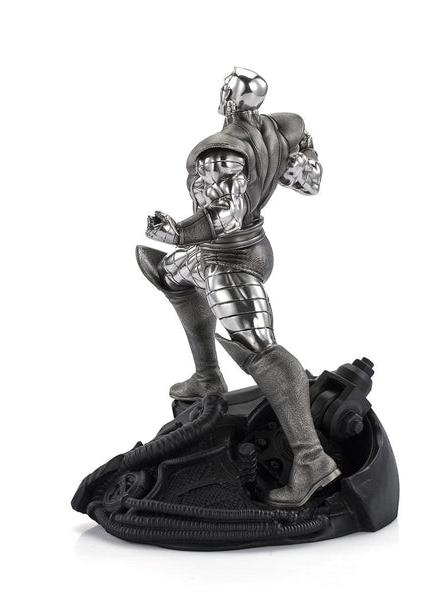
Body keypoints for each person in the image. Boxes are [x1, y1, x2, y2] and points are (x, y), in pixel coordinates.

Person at [136, 67, 339, 507]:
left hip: (230, 259)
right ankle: (207, 377)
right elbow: (308, 182)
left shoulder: (221, 152)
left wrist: (178, 233)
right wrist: (300, 151)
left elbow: (225, 215)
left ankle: (311, 460)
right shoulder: (281, 129)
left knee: (260, 350)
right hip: (234, 250)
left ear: (227, 99)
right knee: (169, 273)